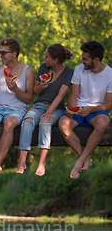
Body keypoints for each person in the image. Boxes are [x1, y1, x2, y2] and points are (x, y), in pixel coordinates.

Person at [0, 38, 35, 176]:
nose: (0, 55)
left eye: (3, 53)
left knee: (9, 124)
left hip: (17, 110)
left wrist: (16, 89)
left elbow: (29, 98)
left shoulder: (27, 71)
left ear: (14, 54)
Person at [16, 44, 74, 176]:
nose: (44, 58)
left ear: (55, 60)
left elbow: (61, 95)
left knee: (45, 123)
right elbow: (35, 91)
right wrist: (41, 86)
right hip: (38, 105)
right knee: (27, 121)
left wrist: (48, 112)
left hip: (56, 109)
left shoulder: (69, 72)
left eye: (47, 56)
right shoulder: (44, 67)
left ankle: (42, 163)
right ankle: (22, 161)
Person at [58, 40, 112, 179]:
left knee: (103, 123)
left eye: (85, 59)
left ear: (96, 60)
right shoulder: (79, 69)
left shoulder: (110, 74)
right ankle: (84, 159)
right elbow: (74, 95)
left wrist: (91, 109)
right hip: (79, 109)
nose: (82, 61)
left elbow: (109, 106)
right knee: (63, 124)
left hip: (97, 110)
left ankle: (79, 161)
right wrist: (70, 108)